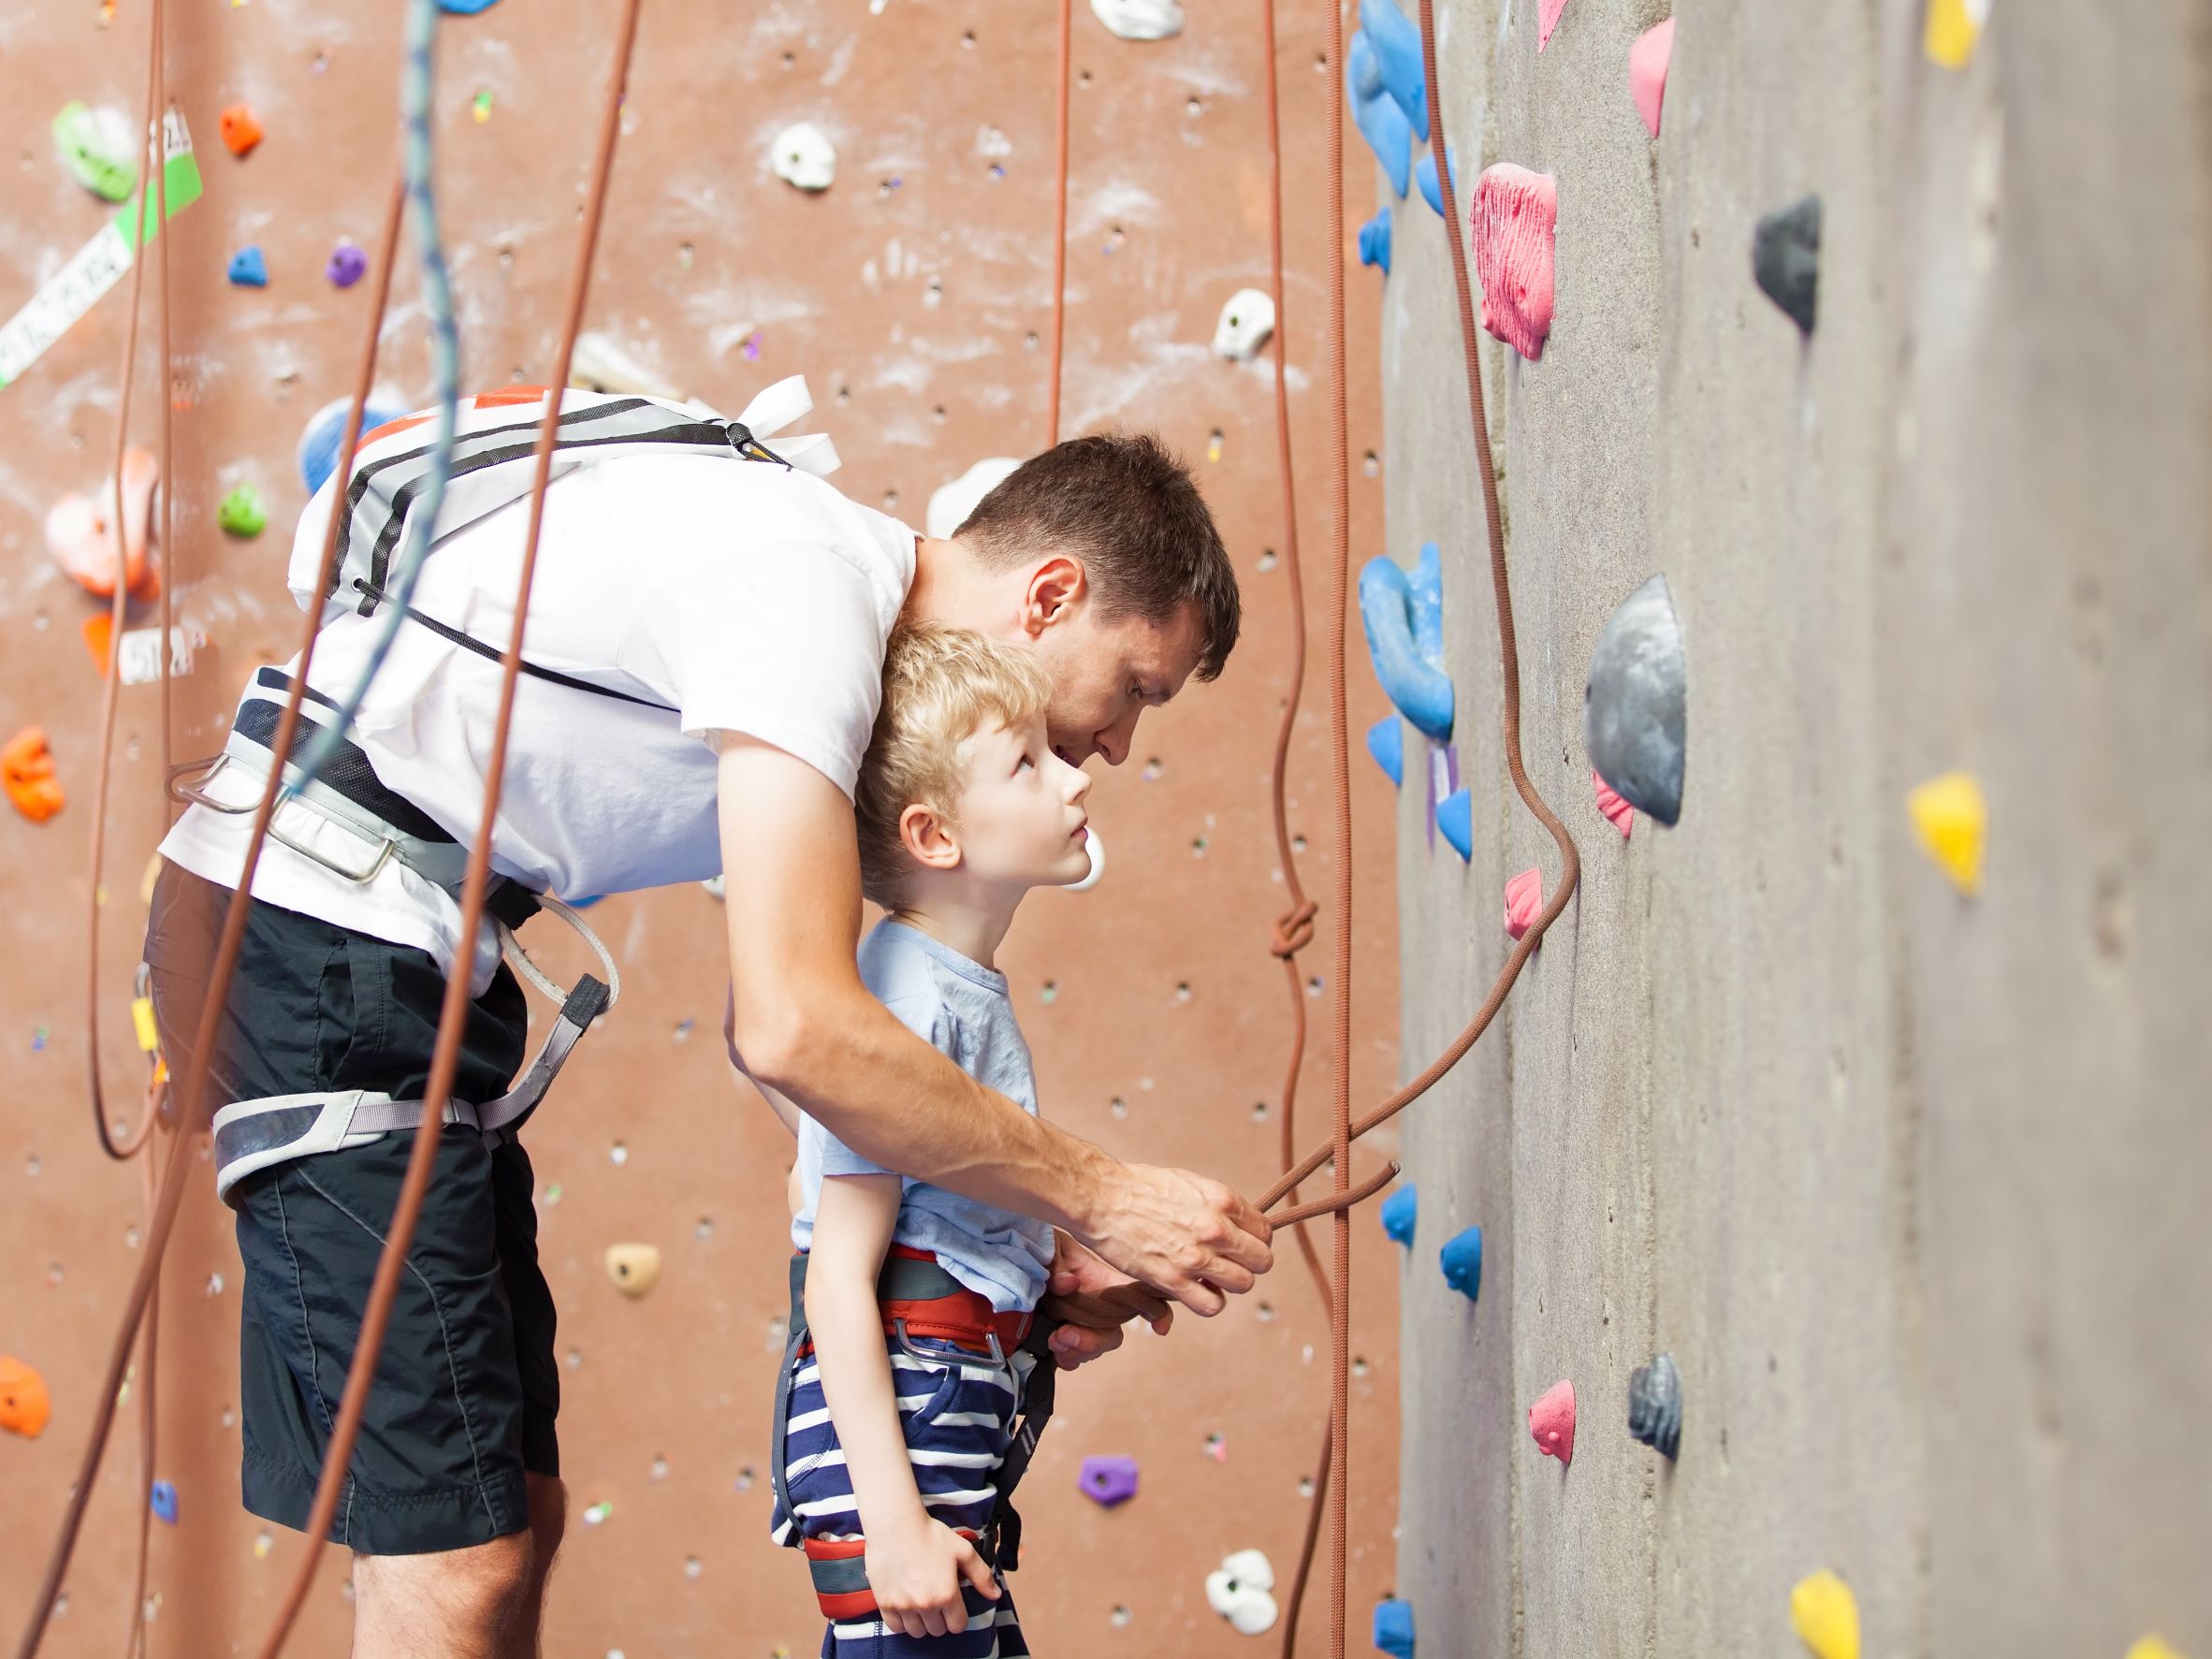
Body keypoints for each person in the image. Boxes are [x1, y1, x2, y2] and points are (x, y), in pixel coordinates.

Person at [140, 380, 1274, 1659]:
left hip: (382, 950)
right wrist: (1099, 1195)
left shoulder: (819, 614)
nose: (1115, 744)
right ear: (1052, 595)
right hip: (316, 933)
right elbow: (796, 1029)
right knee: (455, 1564)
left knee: (515, 1517)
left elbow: (841, 1065)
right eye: (1134, 688)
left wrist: (1016, 1248)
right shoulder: (804, 592)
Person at [757, 623, 1140, 1654]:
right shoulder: (909, 998)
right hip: (899, 1444)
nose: (1073, 781)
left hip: (942, 1411)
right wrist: (893, 1527)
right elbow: (838, 1273)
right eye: (1027, 762)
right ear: (935, 837)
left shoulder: (942, 988)